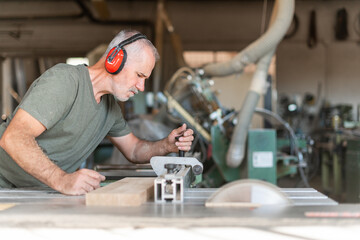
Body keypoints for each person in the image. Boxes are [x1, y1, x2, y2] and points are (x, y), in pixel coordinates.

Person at [0, 29, 194, 195]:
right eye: (139, 75)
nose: (141, 87)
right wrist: (61, 180)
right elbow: (14, 138)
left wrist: (167, 145)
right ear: (115, 59)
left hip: (33, 193)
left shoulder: (110, 109)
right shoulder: (65, 81)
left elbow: (134, 150)